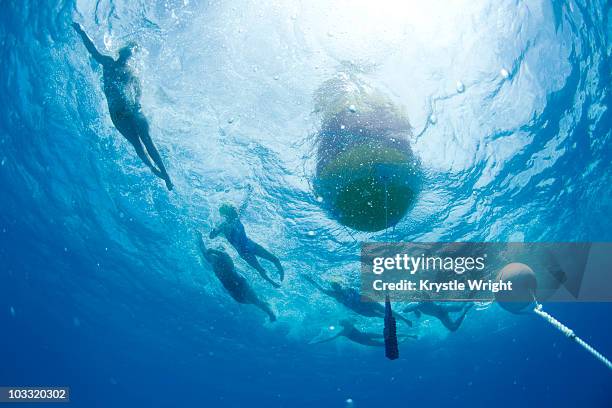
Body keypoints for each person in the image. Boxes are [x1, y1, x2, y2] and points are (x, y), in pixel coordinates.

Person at [72, 22, 173, 190]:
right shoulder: (108, 63)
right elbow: (92, 50)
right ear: (121, 52)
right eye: (127, 51)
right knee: (137, 144)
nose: (129, 54)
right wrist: (82, 31)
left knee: (147, 140)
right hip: (118, 115)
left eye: (131, 53)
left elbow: (138, 93)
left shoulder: (133, 73)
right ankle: (153, 168)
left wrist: (134, 105)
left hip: (133, 110)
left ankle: (166, 174)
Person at [196, 232, 276, 322]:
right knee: (247, 301)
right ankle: (266, 305)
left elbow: (224, 255)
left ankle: (271, 314)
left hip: (241, 284)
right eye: (218, 249)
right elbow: (203, 250)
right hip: (231, 289)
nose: (218, 252)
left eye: (221, 249)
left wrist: (214, 250)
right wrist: (199, 237)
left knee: (255, 301)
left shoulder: (226, 258)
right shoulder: (212, 259)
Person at [210, 202, 284, 288]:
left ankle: (281, 274)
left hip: (252, 245)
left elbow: (244, 205)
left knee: (275, 259)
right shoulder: (223, 226)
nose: (236, 212)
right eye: (232, 210)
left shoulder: (236, 218)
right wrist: (215, 229)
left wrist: (249, 192)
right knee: (261, 270)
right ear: (227, 214)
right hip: (244, 252)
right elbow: (211, 236)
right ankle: (273, 283)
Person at [303, 275, 412, 326]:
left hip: (366, 301)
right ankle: (397, 320)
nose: (337, 286)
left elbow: (360, 282)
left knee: (384, 310)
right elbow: (320, 289)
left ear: (339, 284)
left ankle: (404, 319)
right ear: (333, 287)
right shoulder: (334, 294)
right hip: (359, 309)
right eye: (334, 285)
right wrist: (310, 280)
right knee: (378, 315)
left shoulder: (347, 287)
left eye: (337, 284)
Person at [310, 319, 416, 347]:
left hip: (365, 336)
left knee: (386, 337)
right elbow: (330, 338)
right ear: (344, 324)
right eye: (345, 322)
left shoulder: (348, 326)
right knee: (384, 344)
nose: (347, 322)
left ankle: (409, 335)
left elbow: (355, 319)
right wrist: (318, 342)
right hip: (364, 340)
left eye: (346, 322)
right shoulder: (343, 332)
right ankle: (403, 341)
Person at [403, 301, 473, 332]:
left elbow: (428, 296)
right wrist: (415, 309)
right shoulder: (417, 307)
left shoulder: (422, 301)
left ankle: (471, 295)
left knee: (459, 308)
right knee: (453, 328)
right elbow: (405, 310)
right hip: (440, 316)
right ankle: (466, 310)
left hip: (442, 307)